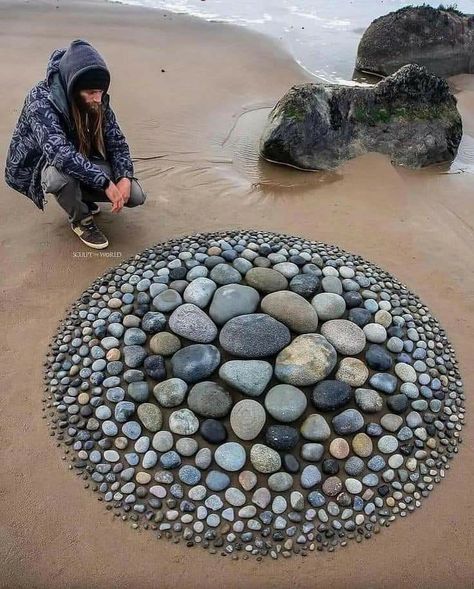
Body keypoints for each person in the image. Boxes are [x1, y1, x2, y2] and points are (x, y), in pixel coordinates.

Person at [4, 39, 147, 249]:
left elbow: (117, 142)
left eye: (101, 91)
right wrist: (105, 183)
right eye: (91, 93)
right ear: (73, 88)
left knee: (135, 195)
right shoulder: (41, 99)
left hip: (81, 156)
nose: (98, 99)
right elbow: (58, 152)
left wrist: (124, 176)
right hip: (43, 164)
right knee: (58, 178)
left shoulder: (97, 98)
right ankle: (81, 220)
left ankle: (82, 197)